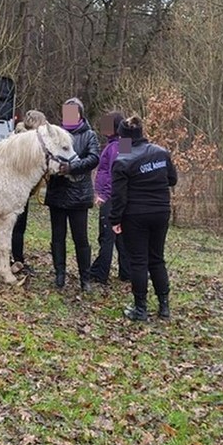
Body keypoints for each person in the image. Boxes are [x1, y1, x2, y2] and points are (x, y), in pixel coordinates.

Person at [110, 115, 177, 321]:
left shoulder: (123, 160)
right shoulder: (161, 152)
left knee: (138, 261)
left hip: (136, 215)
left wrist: (115, 220)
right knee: (157, 258)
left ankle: (140, 309)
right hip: (161, 212)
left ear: (124, 138)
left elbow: (119, 196)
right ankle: (164, 306)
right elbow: (172, 179)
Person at [45, 97, 100, 291]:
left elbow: (94, 158)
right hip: (57, 193)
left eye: (72, 112)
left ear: (80, 114)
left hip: (79, 194)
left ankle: (85, 278)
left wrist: (71, 167)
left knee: (81, 239)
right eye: (65, 112)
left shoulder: (89, 135)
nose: (67, 116)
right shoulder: (55, 134)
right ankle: (59, 274)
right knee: (57, 237)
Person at [0, 109, 47, 275]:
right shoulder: (25, 141)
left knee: (15, 226)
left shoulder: (18, 135)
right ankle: (15, 260)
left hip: (18, 188)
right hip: (16, 189)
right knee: (15, 226)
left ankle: (11, 259)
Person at [89, 112, 131, 285]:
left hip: (113, 197)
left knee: (107, 235)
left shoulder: (116, 146)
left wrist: (104, 195)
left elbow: (117, 173)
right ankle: (126, 271)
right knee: (121, 235)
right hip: (122, 197)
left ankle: (100, 272)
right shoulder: (123, 144)